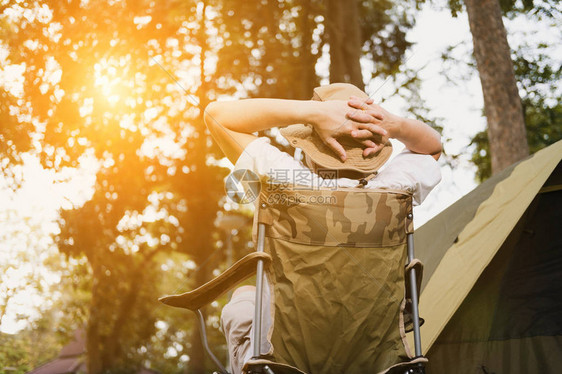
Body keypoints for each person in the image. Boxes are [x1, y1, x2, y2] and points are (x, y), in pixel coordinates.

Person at [203, 83, 442, 374]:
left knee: (243, 300)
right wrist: (394, 124)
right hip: (377, 365)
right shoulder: (397, 186)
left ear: (310, 145)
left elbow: (216, 115)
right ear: (375, 146)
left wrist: (315, 113)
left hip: (281, 364)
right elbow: (433, 148)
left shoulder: (284, 177)